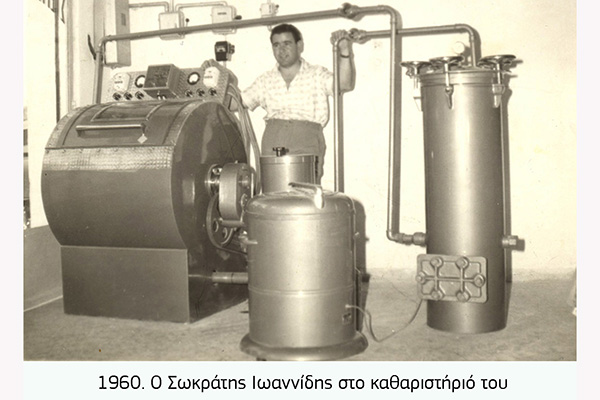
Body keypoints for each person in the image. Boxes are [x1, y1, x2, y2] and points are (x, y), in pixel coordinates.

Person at [242, 23, 355, 182]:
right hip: (273, 139)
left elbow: (344, 84)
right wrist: (218, 81)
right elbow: (238, 103)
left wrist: (344, 51)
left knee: (304, 192)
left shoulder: (316, 73)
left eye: (287, 43)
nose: (281, 50)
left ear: (299, 46)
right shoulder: (265, 79)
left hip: (306, 139)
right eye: (276, 45)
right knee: (272, 193)